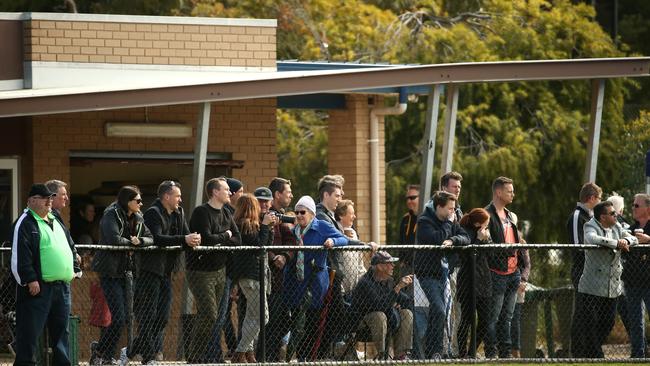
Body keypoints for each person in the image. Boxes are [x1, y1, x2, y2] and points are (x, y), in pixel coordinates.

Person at [118, 181, 200, 365]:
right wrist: (184, 239)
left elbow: (185, 235)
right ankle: (148, 358)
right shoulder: (153, 213)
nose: (180, 199)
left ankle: (130, 350)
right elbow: (156, 238)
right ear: (166, 197)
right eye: (177, 196)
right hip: (149, 271)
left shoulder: (179, 212)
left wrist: (194, 238)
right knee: (148, 317)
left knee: (162, 318)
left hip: (166, 272)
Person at [11, 184, 81, 366]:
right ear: (31, 200)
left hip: (61, 287)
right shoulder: (25, 222)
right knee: (30, 333)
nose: (49, 201)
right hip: (38, 288)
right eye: (44, 198)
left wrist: (74, 268)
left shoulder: (55, 218)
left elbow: (69, 245)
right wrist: (30, 279)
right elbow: (20, 255)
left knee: (61, 334)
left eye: (50, 198)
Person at [91, 186, 153, 365]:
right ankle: (103, 352)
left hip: (128, 272)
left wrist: (139, 240)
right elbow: (113, 239)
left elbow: (150, 238)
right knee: (118, 317)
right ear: (128, 201)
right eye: (138, 201)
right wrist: (132, 243)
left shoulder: (138, 217)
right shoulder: (111, 214)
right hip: (110, 272)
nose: (141, 204)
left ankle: (103, 352)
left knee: (124, 318)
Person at [284, 195, 350, 361]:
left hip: (315, 283)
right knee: (298, 324)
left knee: (314, 323)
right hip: (296, 282)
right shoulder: (293, 232)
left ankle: (312, 358)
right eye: (297, 212)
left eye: (302, 212)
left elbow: (344, 239)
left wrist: (332, 241)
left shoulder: (321, 226)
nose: (299, 215)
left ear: (312, 213)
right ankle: (301, 359)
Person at [186, 177, 241, 364]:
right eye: (226, 189)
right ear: (215, 192)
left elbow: (238, 239)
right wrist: (226, 235)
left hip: (220, 270)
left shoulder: (226, 212)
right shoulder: (202, 212)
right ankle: (193, 355)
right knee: (209, 314)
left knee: (213, 317)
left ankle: (197, 357)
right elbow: (207, 239)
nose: (230, 193)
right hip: (200, 271)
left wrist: (221, 238)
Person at [573, 201, 637, 358]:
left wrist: (626, 241)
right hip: (591, 287)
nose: (617, 216)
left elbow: (633, 239)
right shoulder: (590, 225)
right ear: (603, 217)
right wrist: (617, 243)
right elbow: (592, 239)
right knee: (590, 324)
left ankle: (590, 352)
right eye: (613, 214)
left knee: (608, 323)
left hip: (612, 287)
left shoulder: (617, 227)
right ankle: (595, 355)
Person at [414, 190, 469, 358]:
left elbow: (465, 237)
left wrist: (453, 240)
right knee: (438, 309)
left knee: (443, 312)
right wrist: (448, 227)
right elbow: (437, 239)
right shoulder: (424, 221)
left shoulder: (450, 221)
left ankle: (435, 351)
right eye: (450, 208)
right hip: (427, 274)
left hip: (443, 274)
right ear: (439, 207)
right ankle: (433, 351)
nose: (453, 212)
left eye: (454, 209)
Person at [484, 176, 528, 359]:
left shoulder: (511, 215)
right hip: (496, 273)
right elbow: (488, 244)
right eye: (509, 191)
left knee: (508, 316)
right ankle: (491, 352)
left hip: (513, 273)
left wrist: (521, 269)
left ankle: (505, 352)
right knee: (493, 316)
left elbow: (517, 242)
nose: (513, 194)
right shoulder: (486, 214)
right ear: (498, 192)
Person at [231, 193, 275, 363]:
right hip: (251, 276)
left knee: (251, 316)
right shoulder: (244, 225)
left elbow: (266, 245)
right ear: (251, 208)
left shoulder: (251, 225)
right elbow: (259, 247)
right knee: (263, 316)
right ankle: (240, 351)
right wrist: (264, 227)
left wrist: (269, 227)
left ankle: (248, 352)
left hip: (254, 276)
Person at [350, 251, 414, 360]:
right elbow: (379, 306)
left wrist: (402, 300)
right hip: (362, 324)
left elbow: (405, 301)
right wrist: (398, 288)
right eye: (390, 263)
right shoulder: (365, 283)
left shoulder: (388, 281)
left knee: (406, 313)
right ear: (380, 266)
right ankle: (382, 355)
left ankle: (400, 355)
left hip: (387, 320)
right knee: (379, 315)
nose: (393, 266)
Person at [263, 177, 296, 362]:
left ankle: (274, 356)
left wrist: (284, 256)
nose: (291, 195)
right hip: (265, 277)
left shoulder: (282, 217)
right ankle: (265, 357)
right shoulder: (266, 215)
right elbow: (261, 242)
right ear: (277, 194)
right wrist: (273, 257)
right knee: (268, 321)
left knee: (282, 321)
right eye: (288, 192)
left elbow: (291, 241)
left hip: (281, 280)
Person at [566, 182, 602, 357]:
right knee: (581, 312)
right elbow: (577, 245)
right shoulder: (577, 216)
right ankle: (579, 352)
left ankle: (590, 351)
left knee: (591, 313)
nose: (600, 202)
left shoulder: (591, 217)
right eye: (599, 199)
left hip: (592, 272)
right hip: (582, 271)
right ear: (592, 198)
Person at [457, 208, 493, 358]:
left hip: (484, 282)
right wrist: (478, 240)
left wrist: (487, 240)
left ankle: (472, 351)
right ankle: (462, 353)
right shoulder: (465, 233)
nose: (487, 226)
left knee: (485, 320)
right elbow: (470, 260)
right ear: (478, 223)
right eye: (486, 224)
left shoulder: (485, 234)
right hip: (468, 284)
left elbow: (491, 255)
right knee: (467, 319)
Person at [623, 193, 650, 358]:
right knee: (635, 321)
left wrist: (648, 240)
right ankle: (638, 354)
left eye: (636, 205)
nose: (633, 208)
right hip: (632, 281)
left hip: (649, 281)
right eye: (633, 205)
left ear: (648, 208)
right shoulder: (629, 229)